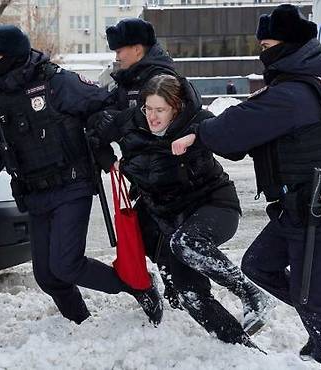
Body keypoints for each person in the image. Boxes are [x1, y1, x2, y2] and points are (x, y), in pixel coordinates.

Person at [170, 5, 321, 370]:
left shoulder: (294, 92)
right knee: (259, 266)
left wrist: (197, 132)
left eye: (268, 44)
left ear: (290, 44)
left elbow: (238, 127)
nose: (263, 52)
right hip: (301, 207)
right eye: (260, 44)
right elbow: (250, 130)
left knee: (311, 297)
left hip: (318, 211)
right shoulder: (307, 80)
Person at [0, 25, 163, 326]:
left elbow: (103, 105)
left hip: (72, 184)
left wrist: (106, 144)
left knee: (66, 265)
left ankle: (138, 287)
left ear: (12, 55)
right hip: (35, 195)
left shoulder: (57, 82)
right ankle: (80, 323)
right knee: (47, 276)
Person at [87, 74, 269, 348]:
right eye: (148, 108)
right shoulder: (130, 122)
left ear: (177, 107)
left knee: (187, 243)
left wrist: (197, 135)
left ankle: (252, 295)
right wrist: (107, 160)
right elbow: (94, 131)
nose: (153, 117)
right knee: (190, 293)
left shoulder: (198, 119)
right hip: (169, 219)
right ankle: (241, 348)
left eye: (160, 110)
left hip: (214, 205)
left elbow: (236, 148)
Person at [104, 17, 187, 309]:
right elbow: (106, 111)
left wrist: (117, 121)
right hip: (146, 178)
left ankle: (186, 294)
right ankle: (178, 291)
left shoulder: (161, 78)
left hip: (167, 177)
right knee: (150, 237)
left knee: (166, 239)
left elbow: (169, 120)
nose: (116, 56)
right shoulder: (131, 80)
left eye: (120, 50)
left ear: (137, 49)